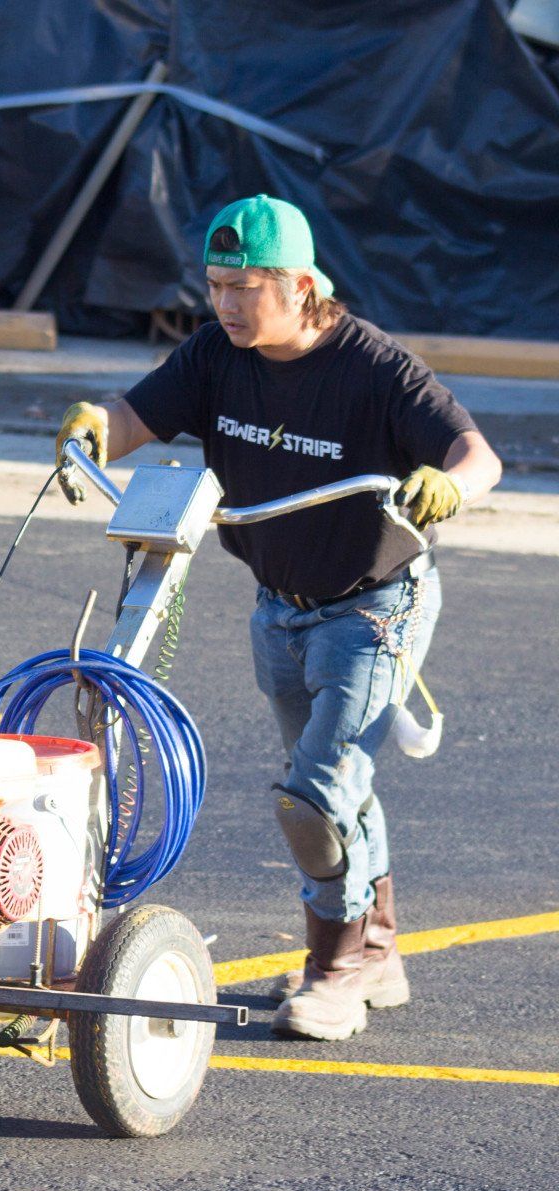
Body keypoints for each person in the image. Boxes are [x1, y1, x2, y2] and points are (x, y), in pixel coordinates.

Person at [53, 194, 501, 1041]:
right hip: (280, 610)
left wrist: (451, 485)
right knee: (335, 783)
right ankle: (378, 950)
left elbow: (477, 455)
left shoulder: (375, 369)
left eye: (245, 287)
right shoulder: (215, 356)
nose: (224, 304)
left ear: (301, 286)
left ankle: (330, 977)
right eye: (216, 285)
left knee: (315, 798)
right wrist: (93, 428)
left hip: (374, 609)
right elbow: (132, 418)